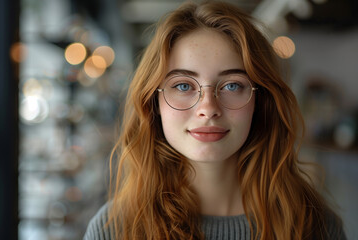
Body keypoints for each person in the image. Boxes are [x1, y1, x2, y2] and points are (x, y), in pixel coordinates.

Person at [84, 1, 346, 239]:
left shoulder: (314, 225)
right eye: (184, 86)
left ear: (260, 101)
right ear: (154, 103)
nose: (208, 109)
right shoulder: (113, 230)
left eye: (232, 86)